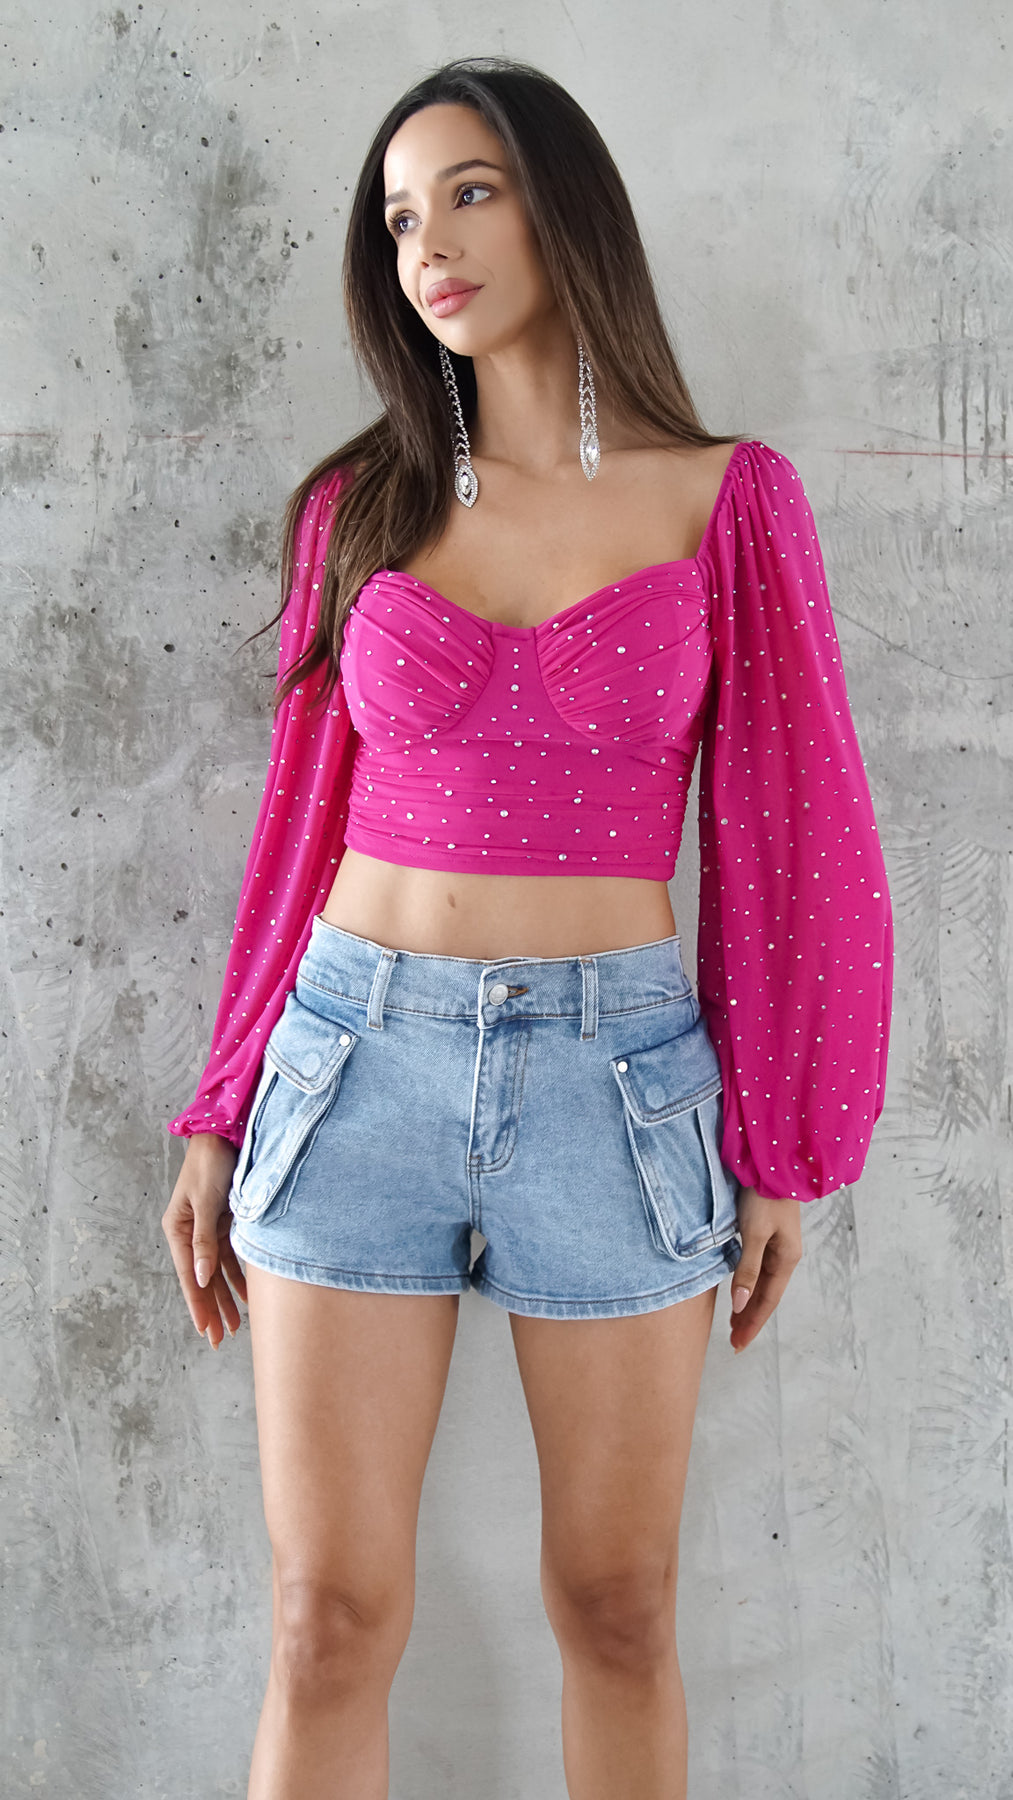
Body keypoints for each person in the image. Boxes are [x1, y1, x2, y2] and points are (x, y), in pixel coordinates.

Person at [161, 55, 892, 1800]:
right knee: (326, 1620)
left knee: (618, 1610)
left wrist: (785, 1143)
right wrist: (221, 1097)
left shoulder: (724, 499)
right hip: (351, 1067)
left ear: (567, 206)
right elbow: (296, 827)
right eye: (400, 216)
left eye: (470, 193)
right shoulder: (362, 506)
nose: (428, 244)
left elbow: (793, 829)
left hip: (612, 1085)